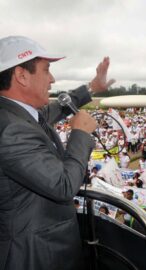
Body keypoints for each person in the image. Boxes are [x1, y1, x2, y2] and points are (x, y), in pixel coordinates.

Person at [0, 36, 114, 270]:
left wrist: (92, 87)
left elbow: (52, 110)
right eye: (46, 70)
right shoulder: (12, 129)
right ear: (21, 75)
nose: (52, 79)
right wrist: (80, 134)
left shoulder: (15, 113)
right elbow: (63, 186)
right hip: (36, 253)